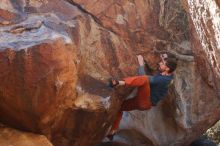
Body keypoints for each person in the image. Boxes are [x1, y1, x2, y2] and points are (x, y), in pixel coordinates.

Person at [107, 54, 178, 140]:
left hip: (146, 101)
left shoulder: (163, 80)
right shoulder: (167, 74)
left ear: (167, 68)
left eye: (162, 63)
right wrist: (164, 58)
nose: (160, 63)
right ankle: (113, 131)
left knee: (144, 80)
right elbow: (168, 67)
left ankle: (119, 83)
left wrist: (141, 64)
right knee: (120, 107)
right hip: (141, 102)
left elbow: (144, 78)